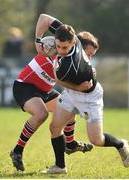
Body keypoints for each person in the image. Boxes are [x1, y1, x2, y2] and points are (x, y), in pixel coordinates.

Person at [35, 14, 129, 174]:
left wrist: (49, 56)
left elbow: (58, 80)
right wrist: (38, 40)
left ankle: (120, 144)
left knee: (96, 140)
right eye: (58, 46)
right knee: (55, 127)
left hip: (89, 96)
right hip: (73, 92)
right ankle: (60, 166)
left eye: (64, 48)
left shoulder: (70, 65)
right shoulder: (73, 38)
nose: (60, 50)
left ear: (73, 43)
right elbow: (44, 18)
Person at [9, 37, 93, 171]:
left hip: (45, 90)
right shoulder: (58, 49)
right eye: (87, 53)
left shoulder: (72, 58)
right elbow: (44, 18)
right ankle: (17, 151)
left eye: (91, 55)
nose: (89, 57)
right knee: (41, 114)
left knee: (69, 109)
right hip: (25, 86)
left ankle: (70, 143)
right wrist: (38, 38)